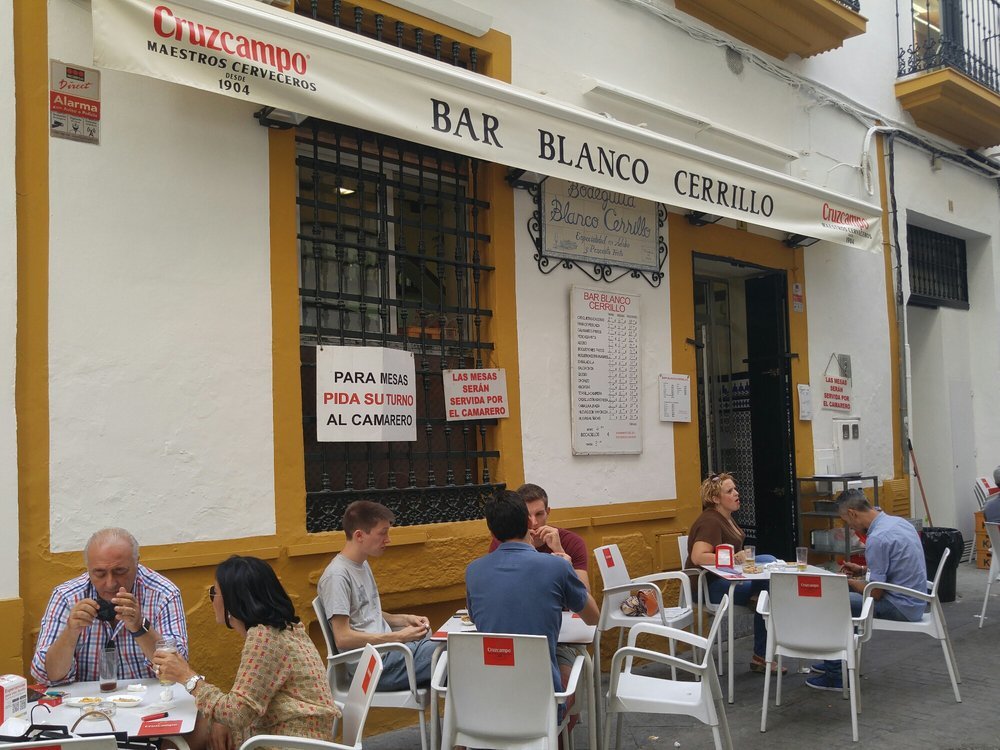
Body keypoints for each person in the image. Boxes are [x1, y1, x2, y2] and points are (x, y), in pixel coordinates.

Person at [155, 556, 337, 750]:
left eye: (214, 593)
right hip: (302, 737)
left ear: (233, 601)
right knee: (205, 730)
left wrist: (188, 677)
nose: (212, 600)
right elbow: (245, 703)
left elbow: (237, 714)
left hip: (289, 743)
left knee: (185, 739)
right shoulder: (286, 628)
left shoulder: (265, 637)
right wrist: (220, 719)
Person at [466, 490, 599, 705]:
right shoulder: (558, 566)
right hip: (542, 700)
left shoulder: (473, 570)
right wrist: (567, 567)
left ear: (492, 532)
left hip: (491, 697)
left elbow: (474, 619)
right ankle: (558, 736)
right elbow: (593, 618)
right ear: (527, 523)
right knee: (572, 676)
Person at [31, 527, 188, 685]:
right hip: (86, 704)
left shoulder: (163, 593)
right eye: (99, 573)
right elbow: (47, 675)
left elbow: (177, 668)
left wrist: (140, 627)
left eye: (120, 571)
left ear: (137, 562)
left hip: (151, 700)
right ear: (88, 568)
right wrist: (71, 632)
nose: (110, 583)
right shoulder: (66, 597)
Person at [807, 488, 928, 690]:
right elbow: (893, 567)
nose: (851, 528)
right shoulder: (897, 522)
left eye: (847, 521)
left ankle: (836, 674)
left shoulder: (878, 538)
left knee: (832, 603)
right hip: (915, 599)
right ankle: (838, 659)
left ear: (853, 513)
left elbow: (875, 593)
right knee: (844, 601)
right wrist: (863, 569)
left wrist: (848, 582)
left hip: (901, 606)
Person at [317, 500, 436, 690]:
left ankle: (452, 717)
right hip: (373, 668)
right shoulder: (337, 576)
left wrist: (404, 619)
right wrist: (398, 638)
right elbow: (342, 637)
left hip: (388, 655)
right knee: (449, 653)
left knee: (438, 643)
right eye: (383, 533)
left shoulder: (362, 564)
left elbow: (366, 614)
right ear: (359, 536)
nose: (387, 540)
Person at [685, 473, 778, 674]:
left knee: (770, 561)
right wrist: (733, 557)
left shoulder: (725, 517)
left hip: (726, 577)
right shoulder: (711, 521)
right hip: (708, 587)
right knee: (768, 593)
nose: (736, 494)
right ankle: (761, 655)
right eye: (729, 491)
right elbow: (698, 557)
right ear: (715, 499)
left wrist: (736, 558)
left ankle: (757, 598)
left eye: (735, 489)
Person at [488, 483, 590, 589]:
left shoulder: (572, 542)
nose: (534, 522)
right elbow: (496, 586)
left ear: (548, 512)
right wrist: (525, 550)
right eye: (527, 516)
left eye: (539, 514)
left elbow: (585, 596)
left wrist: (559, 552)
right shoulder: (503, 541)